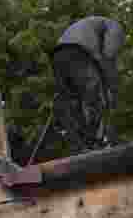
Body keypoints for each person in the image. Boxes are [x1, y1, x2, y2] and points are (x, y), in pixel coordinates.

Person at [50, 15, 125, 150]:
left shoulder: (95, 23)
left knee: (73, 102)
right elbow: (108, 56)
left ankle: (80, 143)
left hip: (58, 55)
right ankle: (98, 140)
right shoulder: (116, 28)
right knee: (95, 98)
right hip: (79, 51)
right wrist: (112, 88)